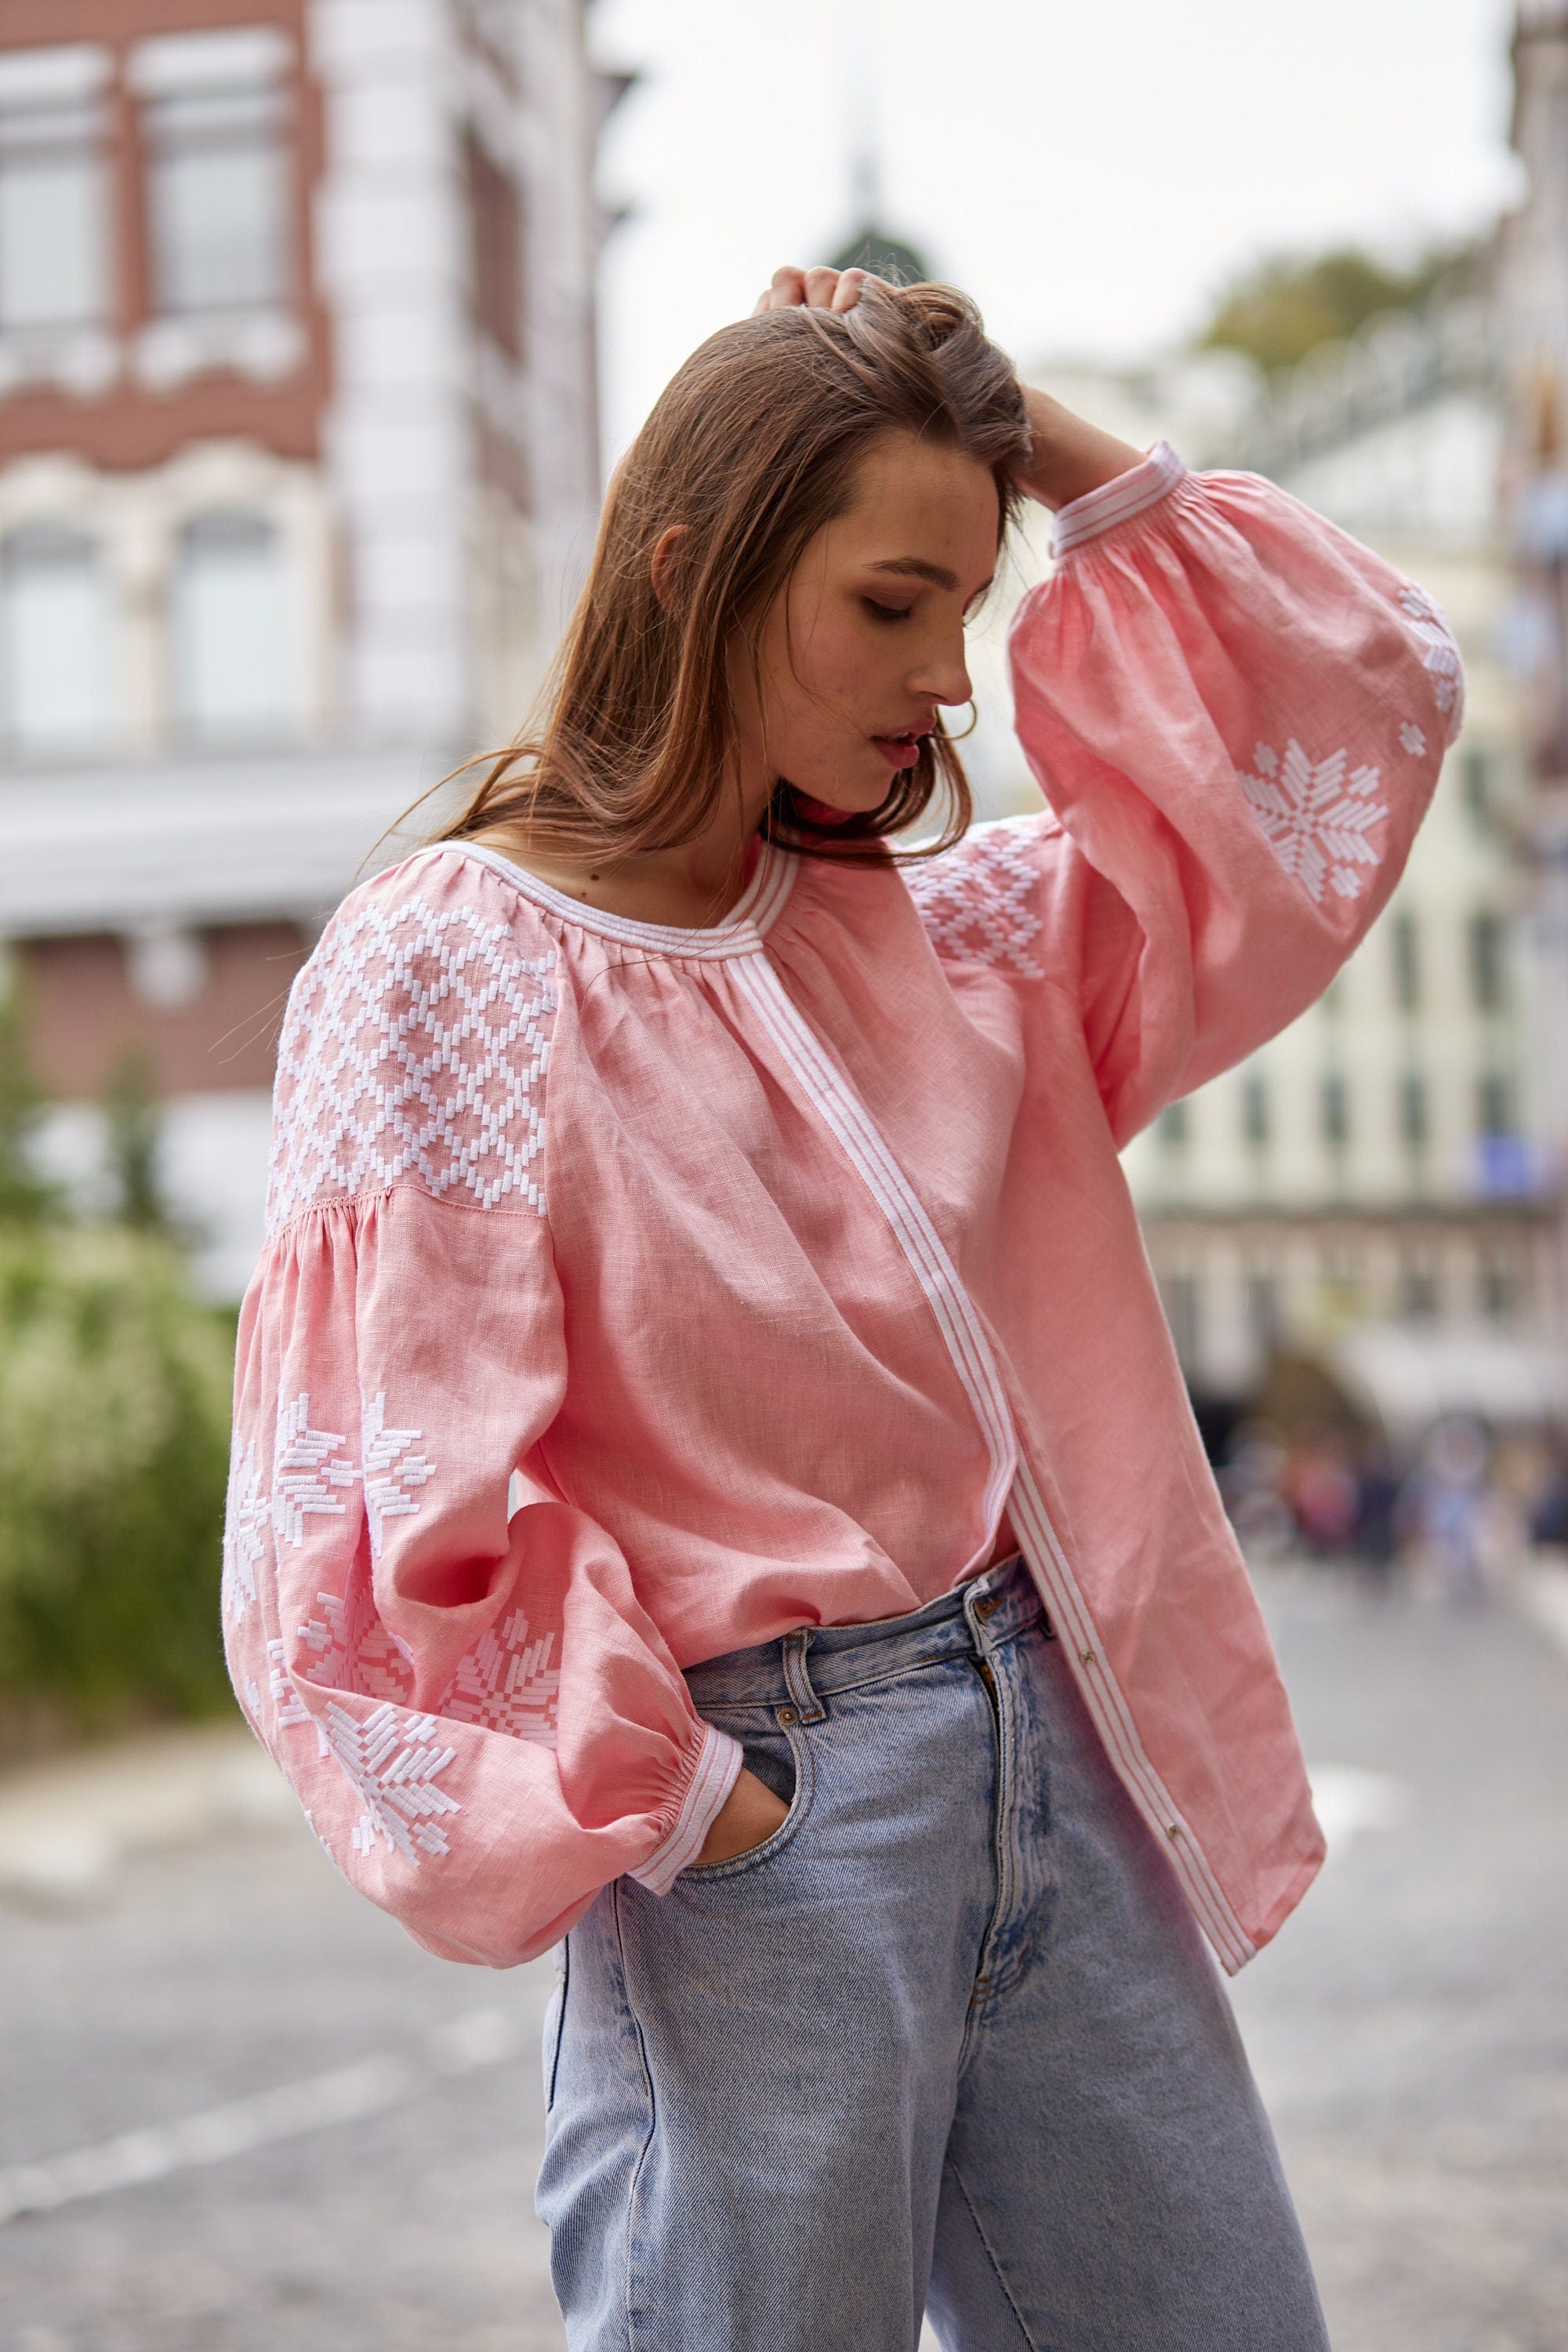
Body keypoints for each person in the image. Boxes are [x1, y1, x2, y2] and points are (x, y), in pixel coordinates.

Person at [223, 264, 1461, 2349]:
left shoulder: (963, 943)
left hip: (1061, 1747)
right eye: (893, 604)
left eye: (965, 605)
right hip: (765, 1813)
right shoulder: (452, 962)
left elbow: (1355, 703)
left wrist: (1010, 423)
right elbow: (369, 1514)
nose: (949, 681)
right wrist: (701, 1810)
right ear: (694, 569)